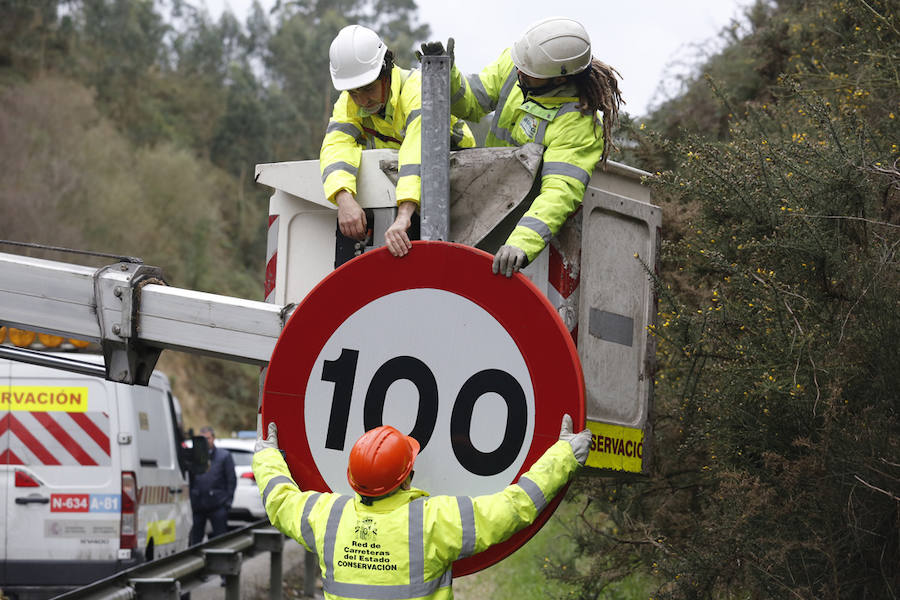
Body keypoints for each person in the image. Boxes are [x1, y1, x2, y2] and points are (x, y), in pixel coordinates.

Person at [252, 415, 591, 599]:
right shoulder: (434, 521)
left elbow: (281, 502)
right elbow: (513, 507)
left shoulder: (327, 517)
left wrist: (267, 456)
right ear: (407, 476)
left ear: (352, 478)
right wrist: (562, 456)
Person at [423, 17, 623, 277]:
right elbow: (471, 102)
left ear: (560, 80)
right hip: (484, 203)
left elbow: (559, 193)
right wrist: (445, 76)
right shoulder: (521, 63)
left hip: (519, 228)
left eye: (530, 73)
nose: (520, 73)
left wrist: (522, 243)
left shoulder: (579, 124)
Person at [322, 25, 476, 259]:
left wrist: (404, 215)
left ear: (386, 70)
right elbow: (336, 146)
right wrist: (343, 198)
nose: (363, 100)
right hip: (408, 186)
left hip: (461, 177)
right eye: (354, 93)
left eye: (368, 89)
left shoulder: (417, 88)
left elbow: (418, 151)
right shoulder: (349, 101)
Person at [189, 426, 237, 546]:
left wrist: (227, 503)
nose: (206, 441)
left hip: (218, 505)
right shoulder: (194, 457)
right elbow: (189, 478)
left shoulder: (224, 456)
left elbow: (231, 480)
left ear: (213, 438)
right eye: (203, 439)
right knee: (195, 540)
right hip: (198, 505)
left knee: (220, 541)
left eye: (208, 438)